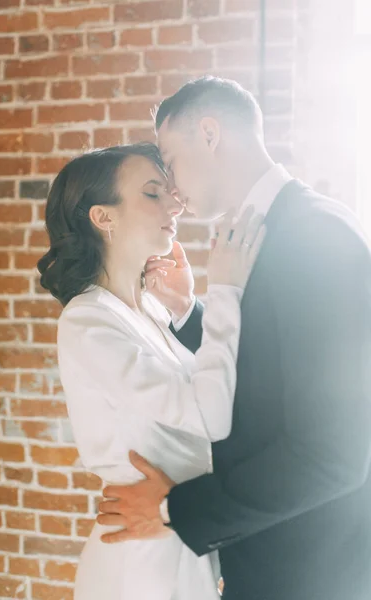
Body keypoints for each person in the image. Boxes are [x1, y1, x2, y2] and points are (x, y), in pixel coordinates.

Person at [97, 77, 371, 600]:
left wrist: (175, 509)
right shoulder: (272, 230)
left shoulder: (318, 235)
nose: (173, 190)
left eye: (170, 163)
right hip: (269, 561)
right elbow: (272, 372)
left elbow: (332, 452)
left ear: (209, 133)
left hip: (309, 574)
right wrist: (189, 311)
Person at [37, 141, 264, 600]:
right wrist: (227, 292)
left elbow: (216, 396)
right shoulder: (87, 321)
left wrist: (185, 306)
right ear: (104, 217)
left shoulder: (153, 313)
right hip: (139, 563)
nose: (174, 202)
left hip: (181, 538)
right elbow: (209, 418)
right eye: (152, 192)